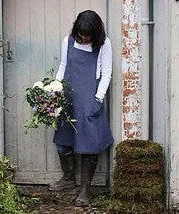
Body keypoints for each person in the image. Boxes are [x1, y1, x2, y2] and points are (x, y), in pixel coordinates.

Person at [50, 10, 114, 207]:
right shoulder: (68, 41)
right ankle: (69, 179)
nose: (83, 39)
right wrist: (54, 90)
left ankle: (85, 189)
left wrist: (98, 98)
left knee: (89, 143)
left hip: (89, 98)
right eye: (81, 35)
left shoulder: (104, 44)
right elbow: (63, 65)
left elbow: (107, 72)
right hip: (68, 97)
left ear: (96, 33)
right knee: (63, 141)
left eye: (87, 36)